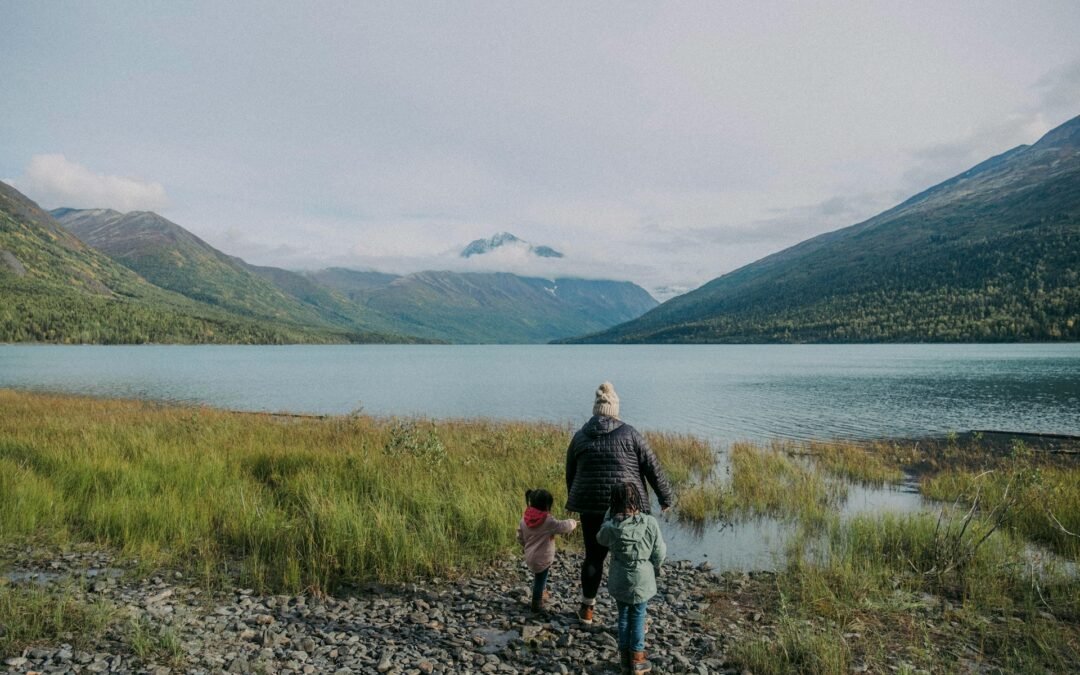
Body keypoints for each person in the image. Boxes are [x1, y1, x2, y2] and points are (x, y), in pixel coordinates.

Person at [565, 381, 674, 625]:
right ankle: (631, 615)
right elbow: (652, 467)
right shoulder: (630, 433)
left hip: (591, 507)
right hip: (628, 506)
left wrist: (576, 498)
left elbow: (571, 472)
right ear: (615, 410)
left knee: (593, 557)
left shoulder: (580, 436)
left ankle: (587, 610)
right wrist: (665, 497)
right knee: (631, 557)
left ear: (596, 410)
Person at [598, 482, 666, 674]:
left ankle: (624, 659)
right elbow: (659, 552)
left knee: (624, 616)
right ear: (637, 499)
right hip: (642, 576)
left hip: (619, 575)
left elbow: (600, 539)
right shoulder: (649, 522)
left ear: (614, 502)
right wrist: (656, 565)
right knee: (638, 615)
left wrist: (608, 517)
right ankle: (637, 658)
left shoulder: (611, 526)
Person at [516, 488, 578, 613]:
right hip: (543, 557)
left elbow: (519, 536)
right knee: (540, 578)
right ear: (547, 505)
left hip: (530, 555)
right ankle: (537, 603)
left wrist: (526, 546)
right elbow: (562, 526)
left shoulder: (525, 519)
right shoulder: (548, 521)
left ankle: (541, 592)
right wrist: (573, 522)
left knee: (538, 576)